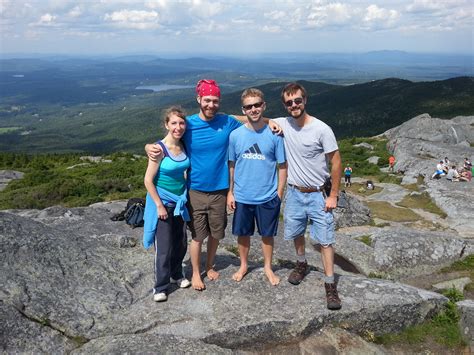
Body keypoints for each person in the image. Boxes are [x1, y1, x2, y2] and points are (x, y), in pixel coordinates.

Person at [145, 79, 281, 291]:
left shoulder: (226, 122)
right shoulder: (188, 124)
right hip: (195, 190)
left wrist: (271, 121)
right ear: (199, 99)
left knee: (216, 233)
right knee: (198, 236)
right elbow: (171, 135)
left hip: (220, 190)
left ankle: (209, 266)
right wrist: (149, 146)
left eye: (215, 101)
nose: (211, 105)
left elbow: (251, 118)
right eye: (207, 100)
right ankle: (197, 273)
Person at [271, 83, 342, 310]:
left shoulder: (322, 129)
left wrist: (333, 195)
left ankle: (330, 284)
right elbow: (254, 119)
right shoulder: (284, 123)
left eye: (298, 101)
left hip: (318, 194)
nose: (294, 105)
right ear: (285, 105)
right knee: (296, 232)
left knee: (325, 240)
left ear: (305, 101)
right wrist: (221, 116)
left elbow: (337, 162)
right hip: (294, 192)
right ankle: (301, 264)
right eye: (289, 102)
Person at [227, 88, 287, 286]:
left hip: (267, 195)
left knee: (267, 235)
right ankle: (243, 265)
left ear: (264, 106)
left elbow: (282, 166)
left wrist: (278, 194)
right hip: (243, 195)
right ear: (243, 110)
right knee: (242, 233)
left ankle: (268, 267)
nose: (253, 109)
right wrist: (230, 192)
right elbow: (232, 165)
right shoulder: (235, 136)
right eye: (249, 106)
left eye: (257, 105)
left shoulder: (275, 134)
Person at [143, 106, 191, 302]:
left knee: (180, 243)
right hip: (163, 203)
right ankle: (160, 286)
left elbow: (183, 170)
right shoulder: (159, 149)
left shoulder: (183, 145)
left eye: (181, 123)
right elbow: (147, 180)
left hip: (180, 201)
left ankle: (176, 274)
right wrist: (159, 205)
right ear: (166, 124)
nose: (178, 127)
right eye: (174, 123)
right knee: (163, 247)